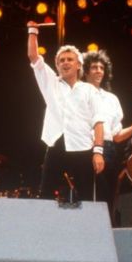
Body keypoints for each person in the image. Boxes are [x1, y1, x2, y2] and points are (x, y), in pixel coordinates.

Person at [26, 21, 106, 202]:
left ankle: (86, 229)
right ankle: (44, 229)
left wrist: (98, 152)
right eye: (61, 60)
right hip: (56, 142)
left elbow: (98, 121)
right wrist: (33, 31)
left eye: (69, 59)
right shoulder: (51, 83)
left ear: (78, 65)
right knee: (45, 195)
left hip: (83, 146)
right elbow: (33, 56)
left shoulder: (89, 90)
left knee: (86, 198)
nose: (65, 62)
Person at [82, 49, 132, 224]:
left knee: (108, 198)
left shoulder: (111, 99)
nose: (98, 70)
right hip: (88, 147)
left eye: (101, 67)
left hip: (110, 150)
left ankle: (105, 235)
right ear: (85, 71)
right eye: (94, 67)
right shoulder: (79, 92)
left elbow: (117, 137)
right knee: (90, 197)